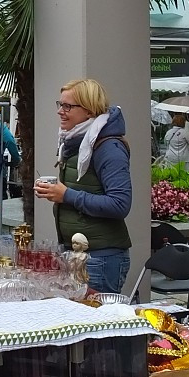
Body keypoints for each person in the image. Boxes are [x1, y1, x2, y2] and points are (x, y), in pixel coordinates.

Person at [34, 78, 132, 294]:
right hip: (79, 255)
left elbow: (120, 204)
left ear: (89, 111)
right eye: (60, 105)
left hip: (100, 259)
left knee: (100, 326)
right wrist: (58, 193)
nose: (60, 111)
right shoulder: (75, 142)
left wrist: (66, 195)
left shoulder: (109, 147)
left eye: (68, 106)